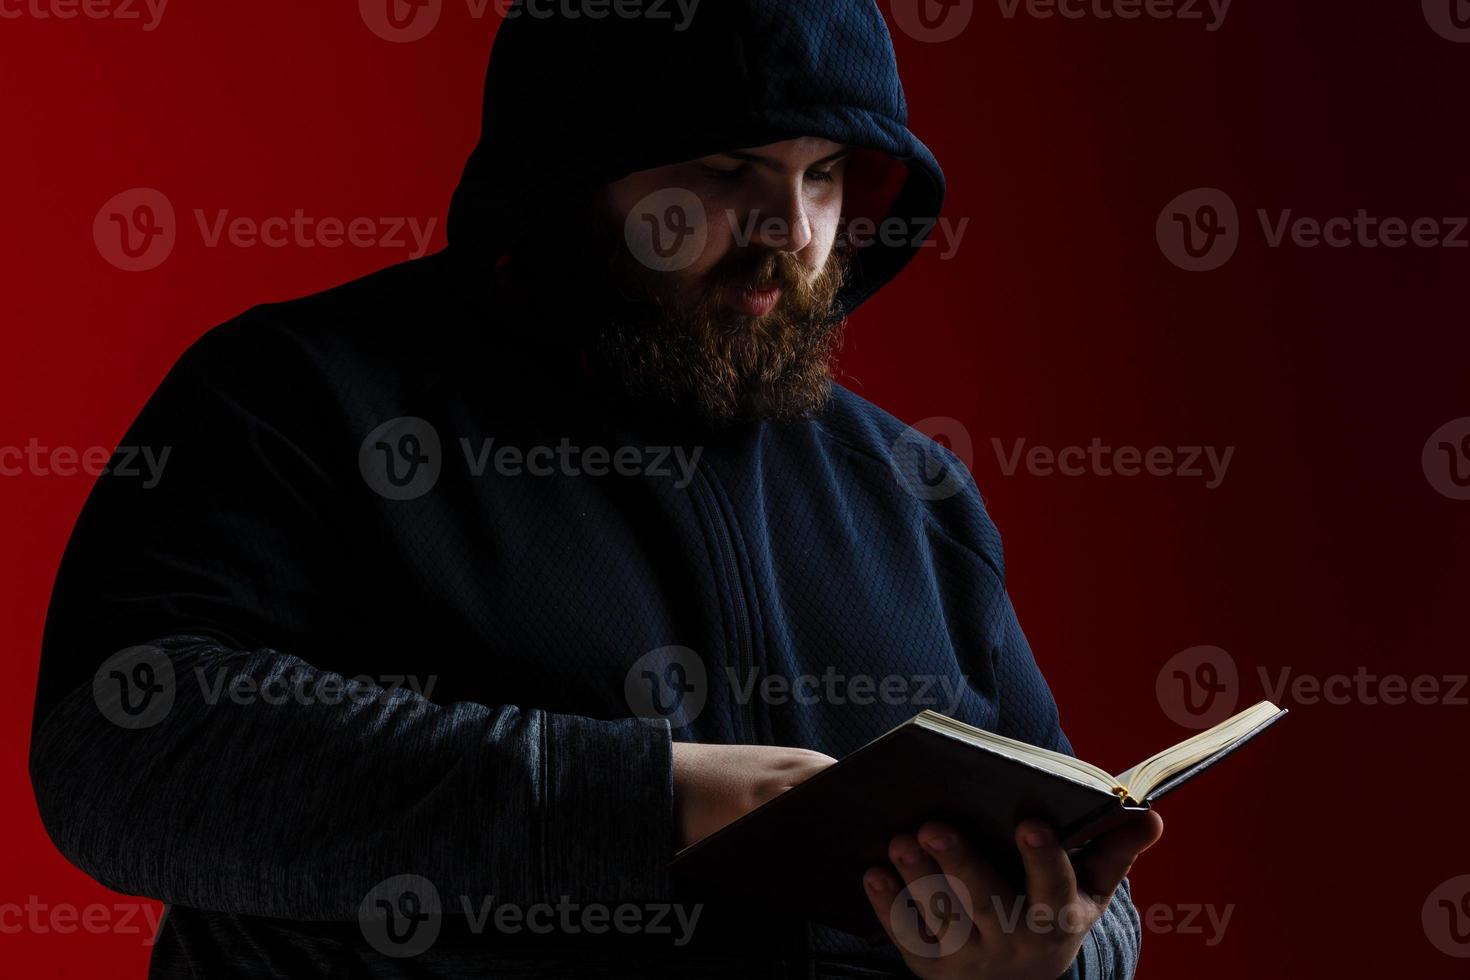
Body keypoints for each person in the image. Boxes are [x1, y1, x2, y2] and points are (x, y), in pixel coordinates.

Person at [30, 2, 1161, 977]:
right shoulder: (300, 396)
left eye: (822, 173)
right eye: (728, 170)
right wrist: (658, 798)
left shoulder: (912, 494)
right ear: (570, 173)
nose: (791, 232)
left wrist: (1058, 950)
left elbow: (1083, 879)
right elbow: (123, 748)